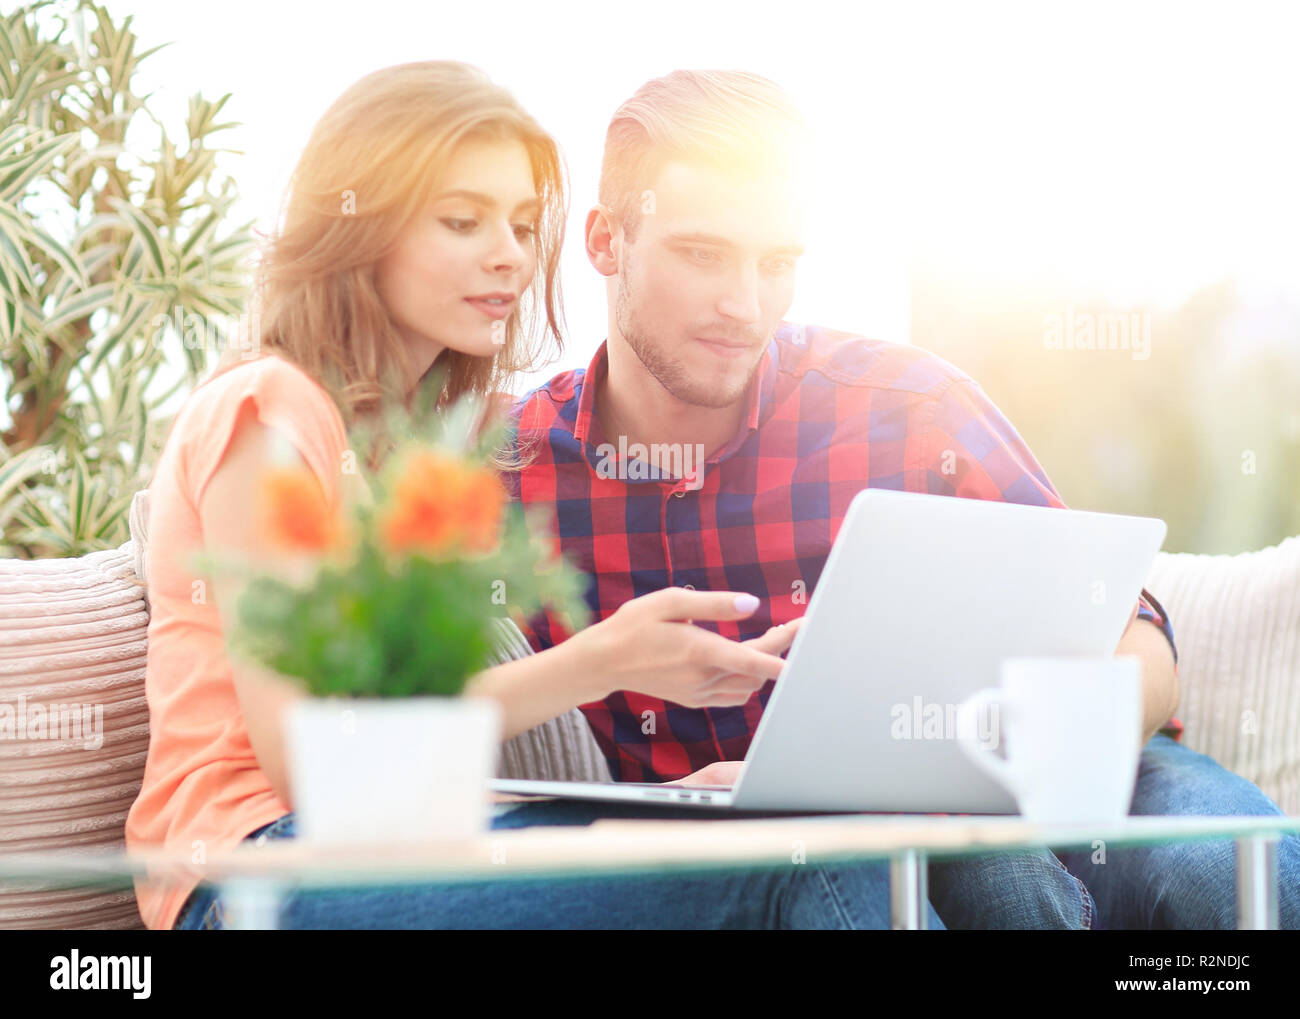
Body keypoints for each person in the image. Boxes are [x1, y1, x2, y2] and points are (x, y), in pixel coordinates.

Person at [123, 60, 935, 931]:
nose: (509, 255)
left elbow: (405, 741)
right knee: (802, 864)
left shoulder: (417, 457)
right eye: (463, 221)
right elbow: (307, 760)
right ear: (359, 225)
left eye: (519, 223)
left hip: (403, 841)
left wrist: (651, 809)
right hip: (257, 872)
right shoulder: (271, 409)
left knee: (799, 826)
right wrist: (606, 660)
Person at [503, 68, 1300, 929]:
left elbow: (1132, 625)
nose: (745, 304)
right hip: (774, 852)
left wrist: (1047, 743)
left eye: (777, 263)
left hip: (1045, 787)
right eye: (702, 254)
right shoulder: (509, 478)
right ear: (605, 241)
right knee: (979, 891)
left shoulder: (906, 408)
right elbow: (402, 717)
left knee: (1229, 876)